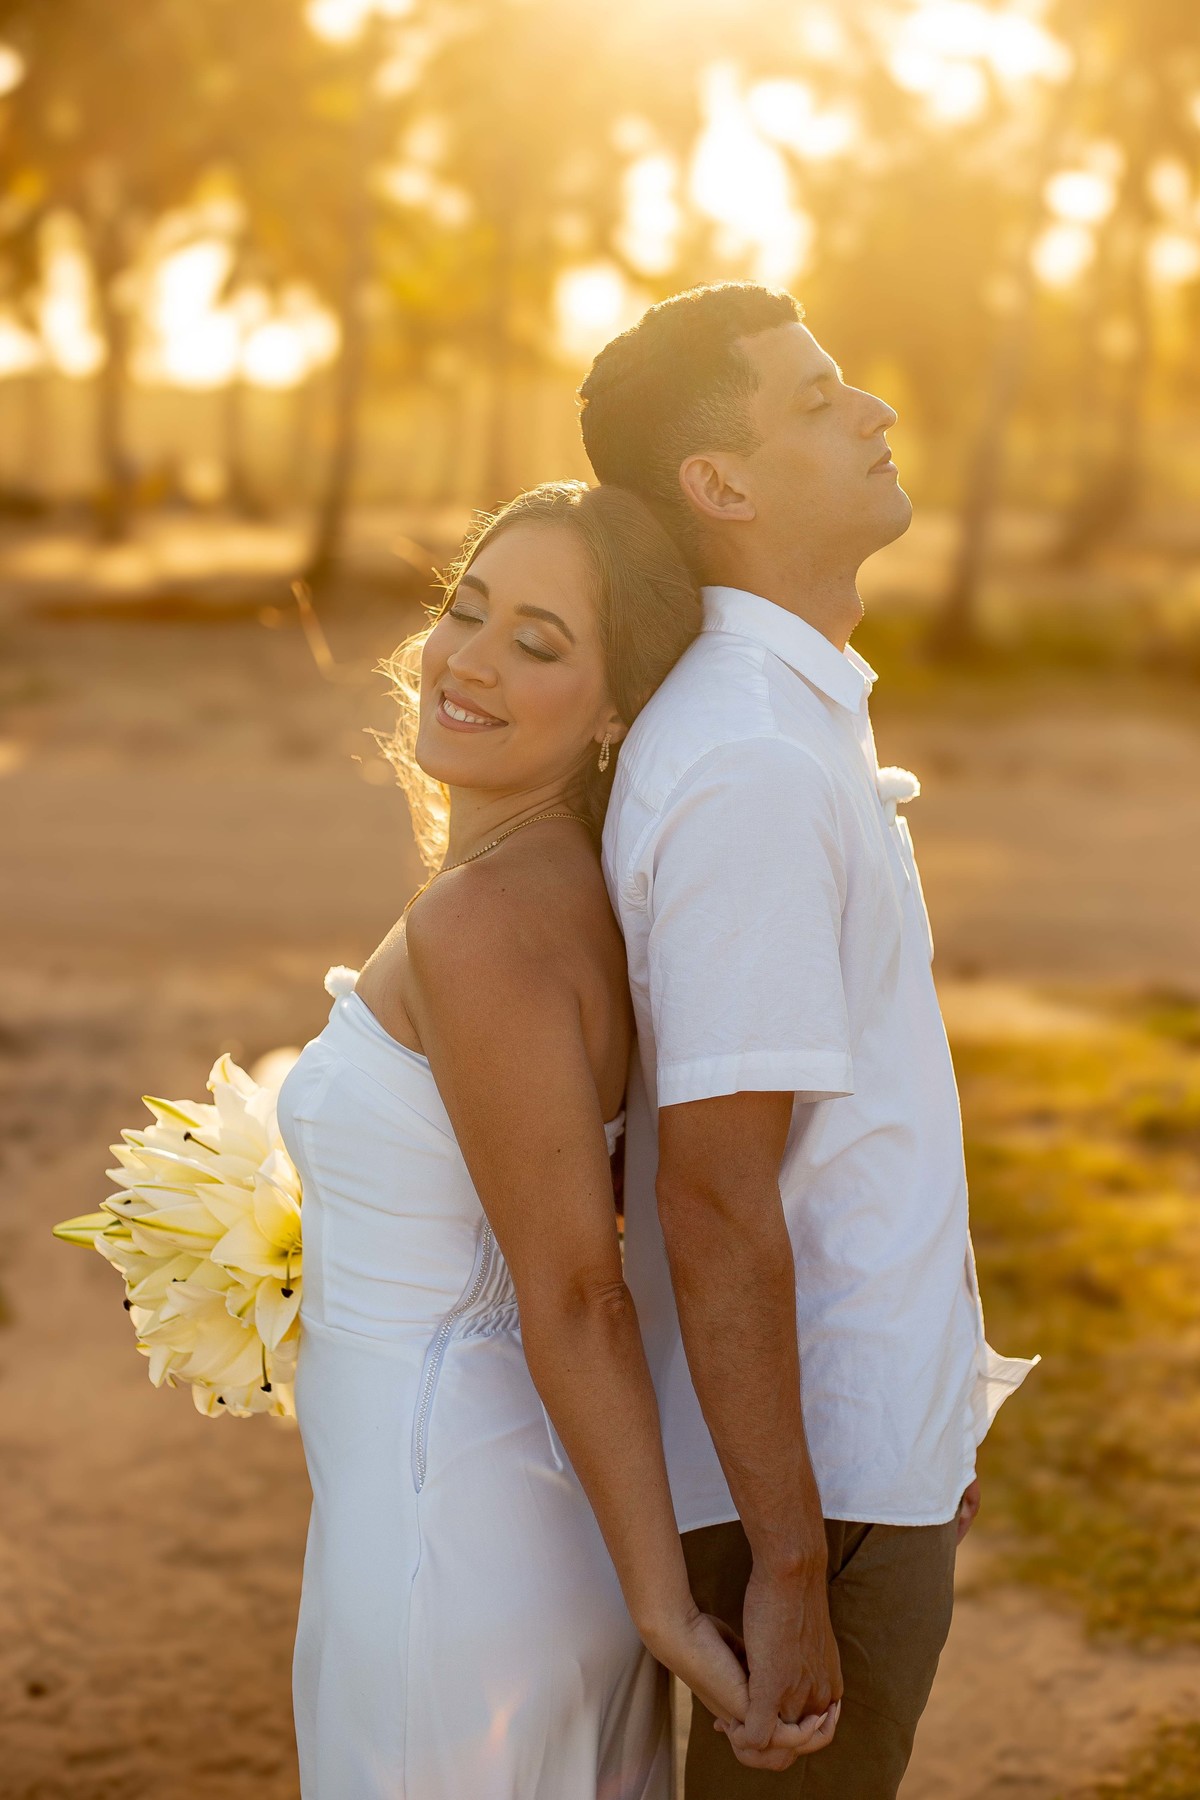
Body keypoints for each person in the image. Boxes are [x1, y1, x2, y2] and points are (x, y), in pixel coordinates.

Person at [276, 481, 836, 1800]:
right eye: (466, 611)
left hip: (451, 1534)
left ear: (619, 713)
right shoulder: (570, 898)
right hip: (520, 1516)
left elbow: (582, 1289)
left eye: (538, 643)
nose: (469, 660)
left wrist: (663, 1611)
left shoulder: (486, 926)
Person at [580, 284, 1037, 1799]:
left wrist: (926, 1414)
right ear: (721, 486)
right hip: (808, 1492)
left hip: (853, 1457)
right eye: (816, 398)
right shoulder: (753, 764)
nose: (874, 411)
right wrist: (790, 1563)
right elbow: (714, 1196)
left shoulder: (789, 725)